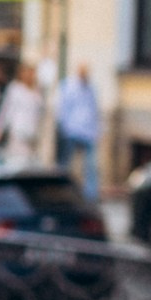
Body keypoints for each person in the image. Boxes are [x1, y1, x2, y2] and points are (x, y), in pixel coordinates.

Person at [55, 62, 101, 200]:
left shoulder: (91, 88)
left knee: (91, 166)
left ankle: (91, 195)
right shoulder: (69, 86)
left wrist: (97, 130)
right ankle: (62, 189)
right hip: (72, 130)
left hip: (88, 132)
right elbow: (62, 108)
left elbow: (94, 109)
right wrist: (64, 127)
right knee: (66, 163)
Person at [0, 61, 45, 169]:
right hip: (19, 132)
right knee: (17, 162)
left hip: (32, 134)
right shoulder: (15, 89)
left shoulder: (37, 90)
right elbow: (6, 110)